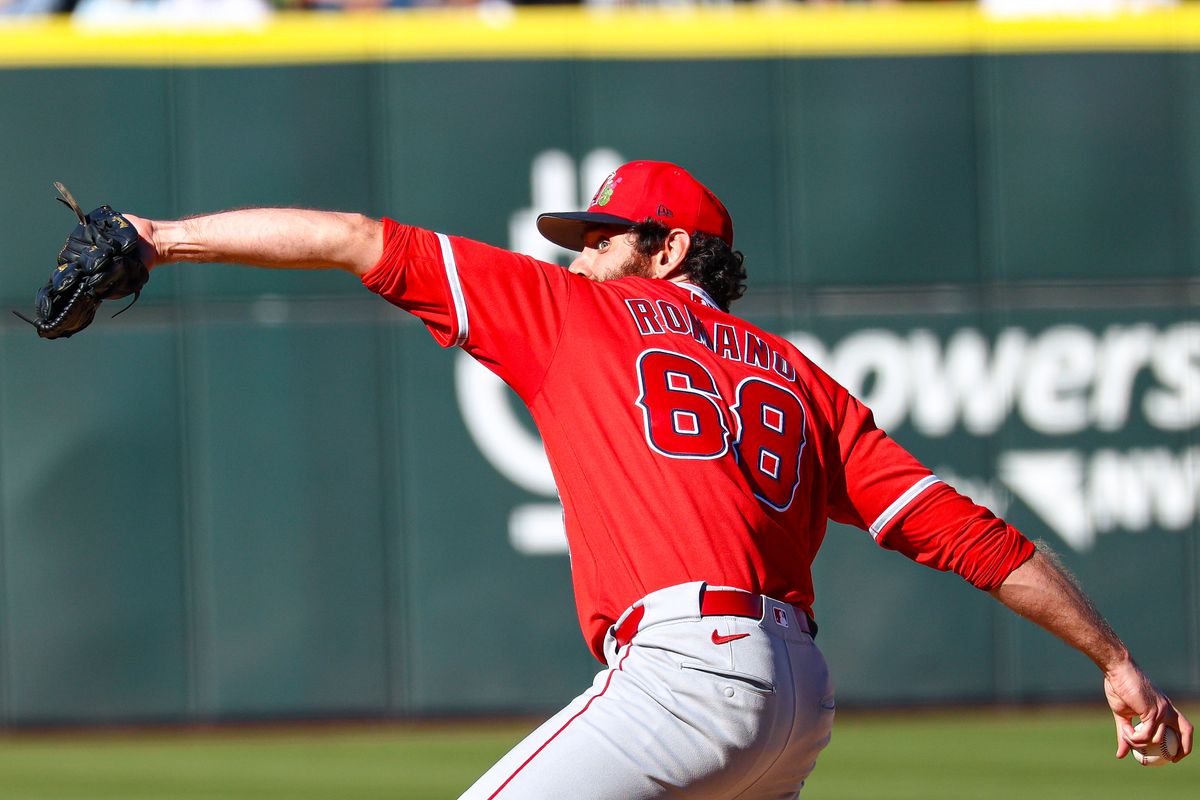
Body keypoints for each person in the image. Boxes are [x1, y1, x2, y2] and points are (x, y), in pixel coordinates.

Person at [124, 161, 1192, 798]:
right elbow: (968, 532)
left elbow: (354, 240)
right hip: (798, 695)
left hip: (688, 669)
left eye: (600, 238)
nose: (579, 257)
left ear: (668, 247)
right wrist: (1114, 655)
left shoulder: (577, 314)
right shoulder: (805, 382)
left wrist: (159, 239)